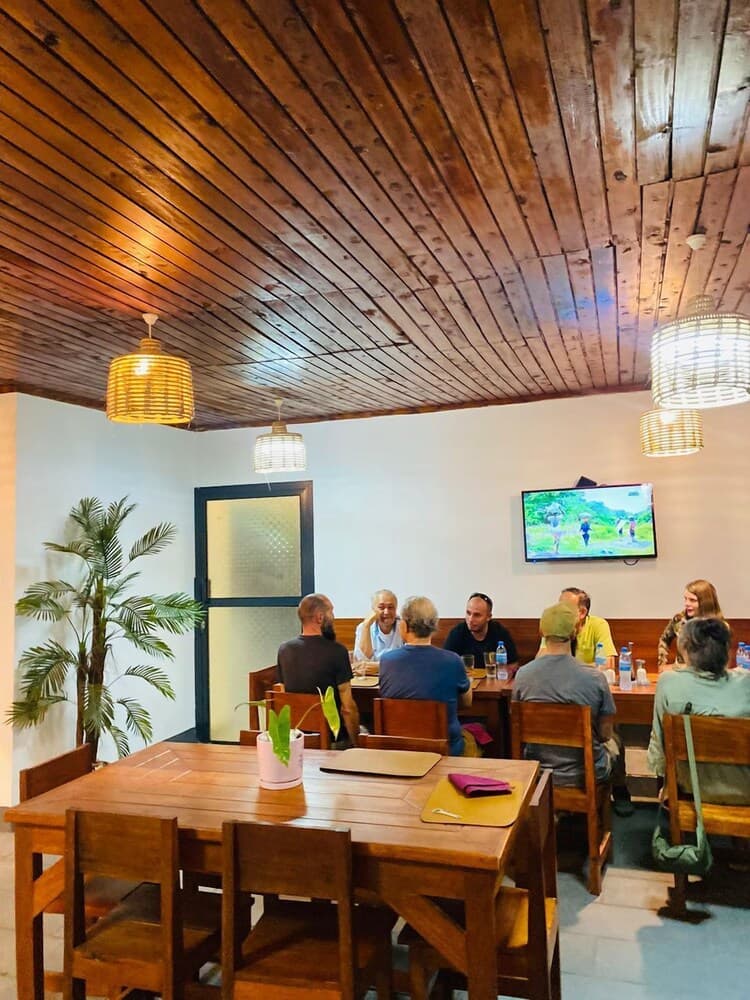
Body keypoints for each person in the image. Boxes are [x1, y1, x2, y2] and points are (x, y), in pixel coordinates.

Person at [513, 602, 622, 795]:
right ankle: (620, 798)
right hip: (584, 773)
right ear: (574, 632)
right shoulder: (594, 678)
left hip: (537, 771)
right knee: (615, 741)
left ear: (541, 632)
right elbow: (605, 733)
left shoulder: (523, 675)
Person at [648, 617, 750, 804]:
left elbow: (659, 749)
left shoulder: (669, 683)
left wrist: (667, 785)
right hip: (745, 789)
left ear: (686, 650)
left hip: (693, 789)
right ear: (727, 650)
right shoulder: (746, 683)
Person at [379, 596, 472, 756]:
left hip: (399, 750)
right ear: (434, 626)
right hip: (444, 751)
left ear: (404, 626)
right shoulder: (453, 660)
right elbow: (467, 702)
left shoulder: (387, 661)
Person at [277, 593, 360, 746]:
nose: (333, 617)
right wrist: (357, 745)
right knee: (367, 730)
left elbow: (284, 695)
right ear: (320, 618)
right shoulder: (337, 651)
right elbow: (347, 708)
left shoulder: (284, 650)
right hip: (332, 739)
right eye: (331, 612)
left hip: (297, 738)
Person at [443, 593, 519, 673]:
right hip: (466, 679)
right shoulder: (457, 633)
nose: (470, 619)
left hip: (493, 679)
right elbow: (445, 664)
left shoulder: (499, 632)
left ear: (488, 617)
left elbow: (513, 664)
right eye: (468, 613)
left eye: (477, 615)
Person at [657, 579, 726, 667]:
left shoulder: (719, 626)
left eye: (692, 600)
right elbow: (664, 640)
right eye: (685, 599)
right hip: (681, 672)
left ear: (705, 602)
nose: (687, 603)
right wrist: (662, 663)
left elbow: (718, 658)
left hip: (707, 673)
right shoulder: (679, 620)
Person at [353, 589, 403, 662]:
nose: (386, 612)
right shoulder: (363, 628)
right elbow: (362, 661)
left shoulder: (404, 627)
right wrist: (366, 626)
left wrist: (375, 666)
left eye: (390, 607)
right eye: (381, 608)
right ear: (373, 610)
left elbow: (407, 660)